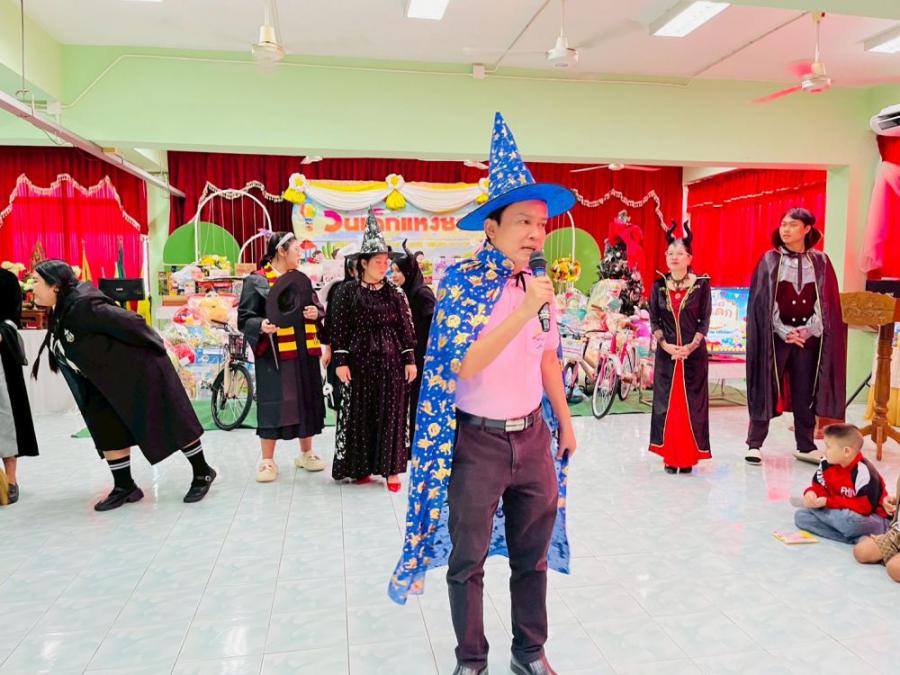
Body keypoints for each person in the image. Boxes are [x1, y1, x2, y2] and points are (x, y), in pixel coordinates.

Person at [389, 112, 576, 675]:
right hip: (477, 443)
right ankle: (471, 659)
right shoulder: (463, 282)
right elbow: (462, 365)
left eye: (540, 223)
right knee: (467, 561)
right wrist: (522, 309)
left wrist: (565, 422)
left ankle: (529, 652)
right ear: (491, 228)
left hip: (533, 437)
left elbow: (547, 356)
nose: (534, 233)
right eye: (522, 221)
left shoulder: (540, 284)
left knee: (531, 557)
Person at [30, 260, 215, 511]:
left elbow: (133, 322)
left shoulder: (84, 305)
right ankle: (125, 486)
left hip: (140, 372)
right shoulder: (63, 307)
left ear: (55, 286)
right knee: (107, 427)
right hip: (103, 380)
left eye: (36, 281)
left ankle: (203, 472)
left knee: (170, 418)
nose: (31, 287)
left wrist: (156, 348)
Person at [744, 208, 846, 466]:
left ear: (806, 229)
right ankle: (754, 443)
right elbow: (763, 302)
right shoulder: (770, 260)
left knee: (805, 391)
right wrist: (783, 330)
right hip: (775, 338)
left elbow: (826, 302)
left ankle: (805, 444)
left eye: (792, 225)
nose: (785, 230)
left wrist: (807, 330)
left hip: (807, 339)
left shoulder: (820, 261)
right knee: (766, 387)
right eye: (783, 224)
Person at [329, 211, 418, 492]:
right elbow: (339, 329)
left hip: (391, 363)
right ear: (363, 263)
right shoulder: (346, 292)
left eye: (386, 262)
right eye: (378, 262)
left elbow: (406, 328)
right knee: (360, 414)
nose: (384, 266)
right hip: (358, 361)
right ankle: (360, 466)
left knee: (391, 414)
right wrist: (341, 361)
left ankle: (392, 470)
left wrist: (409, 359)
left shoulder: (396, 294)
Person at [238, 232, 327, 483]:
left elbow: (317, 307)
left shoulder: (301, 280)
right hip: (274, 353)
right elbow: (244, 318)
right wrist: (261, 325)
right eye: (296, 249)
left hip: (303, 350)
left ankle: (306, 453)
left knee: (305, 400)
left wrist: (316, 312)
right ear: (281, 251)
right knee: (274, 401)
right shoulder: (256, 281)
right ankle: (267, 460)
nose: (300, 254)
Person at [648, 222, 711, 474]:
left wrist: (690, 347)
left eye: (680, 253)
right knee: (668, 406)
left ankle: (687, 458)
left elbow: (704, 320)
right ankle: (669, 455)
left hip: (693, 357)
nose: (674, 257)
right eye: (670, 253)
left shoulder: (701, 285)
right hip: (667, 356)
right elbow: (654, 320)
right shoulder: (658, 285)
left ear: (689, 258)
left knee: (691, 406)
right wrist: (666, 345)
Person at [794, 424, 890, 544]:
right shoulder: (826, 463)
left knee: (848, 520)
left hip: (871, 519)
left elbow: (864, 508)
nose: (825, 451)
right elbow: (819, 488)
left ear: (846, 451)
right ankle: (854, 538)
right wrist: (811, 494)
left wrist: (826, 502)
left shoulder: (864, 471)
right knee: (801, 517)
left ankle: (861, 532)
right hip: (839, 512)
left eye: (828, 447)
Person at [0, 268, 38, 505]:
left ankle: (11, 480)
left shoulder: (6, 280)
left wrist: (3, 331)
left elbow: (11, 318)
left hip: (2, 356)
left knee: (6, 416)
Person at [391, 241, 436, 443]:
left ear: (409, 272)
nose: (394, 275)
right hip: (407, 357)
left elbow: (434, 326)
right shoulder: (401, 293)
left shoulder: (422, 293)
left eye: (398, 271)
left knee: (418, 402)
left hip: (422, 358)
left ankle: (417, 443)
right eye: (392, 271)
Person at [321, 250, 358, 413]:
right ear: (350, 270)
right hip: (341, 353)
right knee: (340, 398)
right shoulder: (339, 290)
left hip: (363, 355)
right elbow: (330, 322)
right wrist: (328, 349)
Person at [854, 473, 900, 582]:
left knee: (894, 568)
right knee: (861, 551)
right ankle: (892, 555)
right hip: (897, 533)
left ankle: (892, 559)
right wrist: (893, 500)